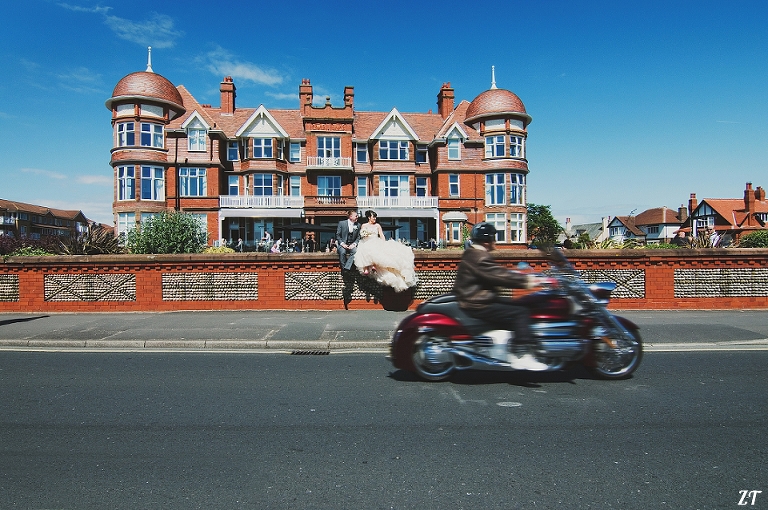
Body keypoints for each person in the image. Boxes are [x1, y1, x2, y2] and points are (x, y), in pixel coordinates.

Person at [452, 222, 548, 371]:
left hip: (476, 298)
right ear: (487, 240)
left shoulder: (473, 252)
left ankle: (509, 345)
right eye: (493, 238)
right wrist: (530, 280)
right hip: (478, 302)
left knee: (516, 303)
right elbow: (499, 275)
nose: (495, 241)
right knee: (521, 312)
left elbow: (497, 272)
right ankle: (522, 355)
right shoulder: (479, 256)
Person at [354, 210, 418, 292]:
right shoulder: (364, 225)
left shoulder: (377, 226)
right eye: (373, 217)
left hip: (375, 240)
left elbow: (381, 235)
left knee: (375, 248)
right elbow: (362, 235)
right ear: (369, 217)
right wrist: (365, 235)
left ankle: (373, 265)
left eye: (375, 217)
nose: (375, 218)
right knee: (365, 248)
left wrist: (383, 243)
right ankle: (367, 267)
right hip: (366, 241)